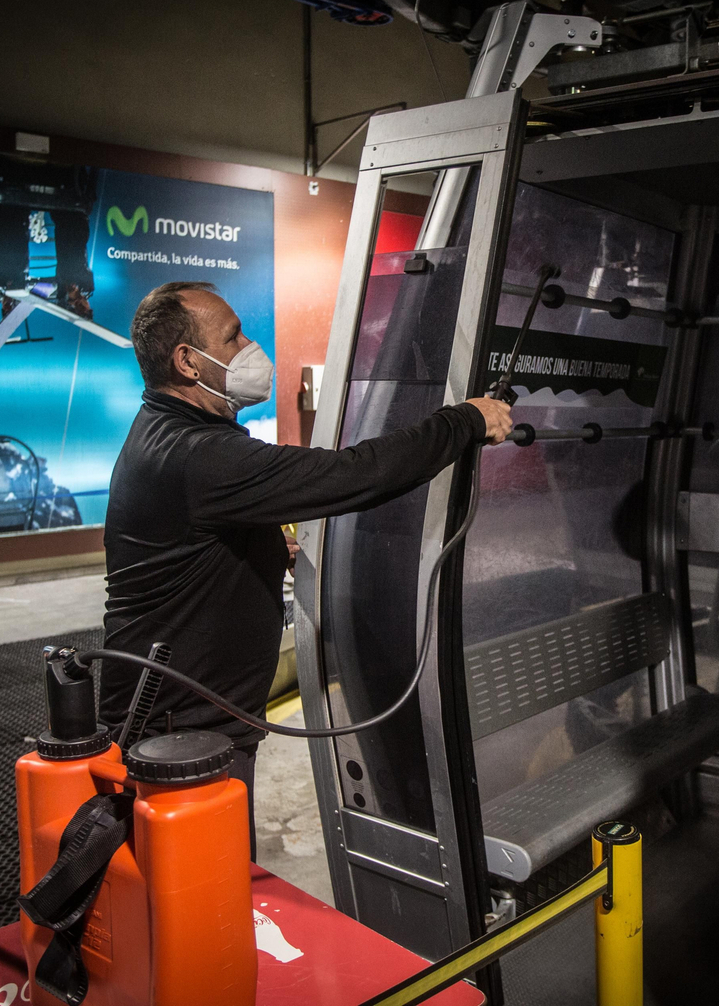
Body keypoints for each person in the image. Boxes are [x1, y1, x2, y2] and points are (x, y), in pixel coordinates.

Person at [101, 280, 512, 850]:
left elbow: (193, 545)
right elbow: (353, 474)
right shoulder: (199, 456)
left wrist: (266, 550)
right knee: (195, 899)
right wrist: (464, 420)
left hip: (192, 718)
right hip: (178, 730)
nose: (248, 345)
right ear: (188, 362)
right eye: (232, 336)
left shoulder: (175, 434)